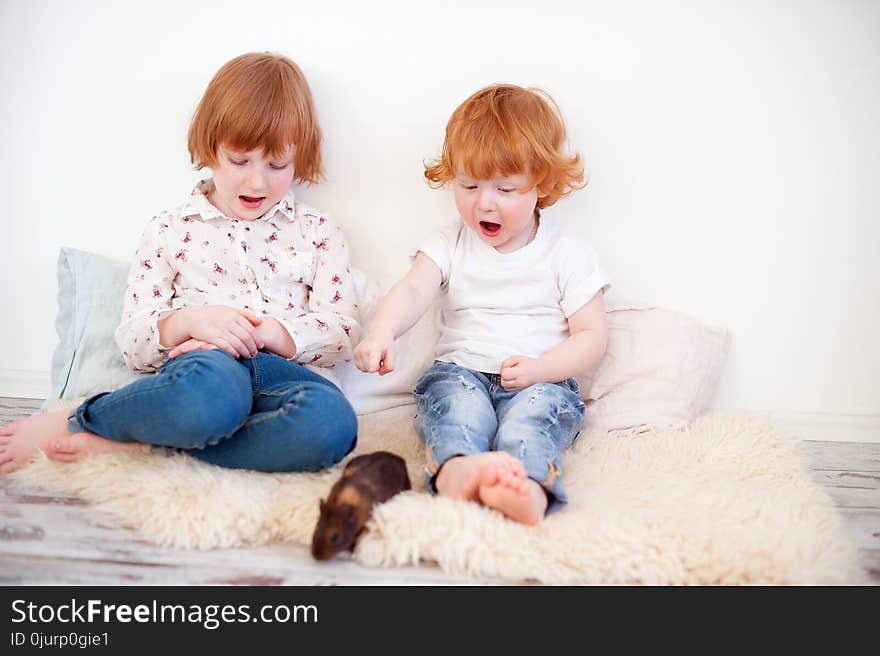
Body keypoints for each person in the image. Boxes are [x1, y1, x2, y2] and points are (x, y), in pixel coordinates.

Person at [1, 52, 360, 474]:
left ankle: (143, 450)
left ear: (301, 156)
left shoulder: (318, 230)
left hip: (286, 375)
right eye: (240, 160)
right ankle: (79, 419)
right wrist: (191, 321)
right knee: (203, 400)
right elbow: (133, 340)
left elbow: (343, 332)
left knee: (332, 425)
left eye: (277, 164)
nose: (258, 181)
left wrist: (272, 333)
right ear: (210, 148)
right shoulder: (170, 229)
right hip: (207, 369)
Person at [354, 84, 610, 525]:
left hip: (539, 379)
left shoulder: (567, 253)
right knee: (458, 410)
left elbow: (592, 336)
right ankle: (457, 469)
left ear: (541, 184)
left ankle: (528, 485)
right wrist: (380, 332)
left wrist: (541, 369)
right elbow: (413, 289)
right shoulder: (451, 242)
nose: (483, 203)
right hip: (462, 371)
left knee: (533, 421)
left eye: (505, 189)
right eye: (469, 185)